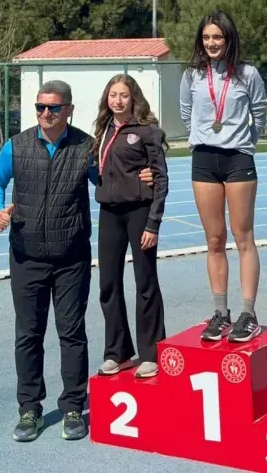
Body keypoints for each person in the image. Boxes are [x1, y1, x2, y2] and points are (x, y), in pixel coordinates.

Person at [0, 80, 153, 443]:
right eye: (40, 107)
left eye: (53, 108)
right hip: (26, 256)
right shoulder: (17, 146)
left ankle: (73, 406)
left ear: (69, 110)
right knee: (28, 335)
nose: (46, 113)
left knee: (71, 334)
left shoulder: (86, 148)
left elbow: (110, 181)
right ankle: (29, 408)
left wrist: (145, 173)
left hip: (71, 258)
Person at [179, 10, 267, 343]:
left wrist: (245, 144)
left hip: (238, 159)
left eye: (217, 37)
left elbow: (259, 114)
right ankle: (221, 313)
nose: (211, 43)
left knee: (243, 236)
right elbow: (186, 113)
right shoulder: (192, 74)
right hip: (204, 159)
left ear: (229, 39)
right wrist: (200, 138)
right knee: (214, 239)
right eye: (206, 37)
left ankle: (248, 313)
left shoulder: (247, 74)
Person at [93, 73, 168, 379]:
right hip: (109, 213)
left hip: (139, 212)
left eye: (124, 95)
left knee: (145, 282)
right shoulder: (102, 130)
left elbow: (160, 178)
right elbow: (99, 170)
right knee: (108, 284)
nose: (118, 100)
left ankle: (151, 353)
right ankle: (118, 352)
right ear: (106, 98)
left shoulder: (147, 131)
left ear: (133, 97)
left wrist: (153, 223)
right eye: (113, 95)